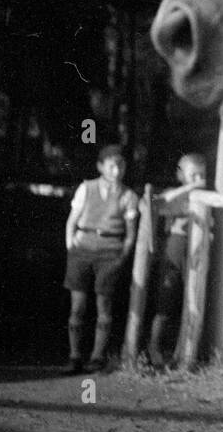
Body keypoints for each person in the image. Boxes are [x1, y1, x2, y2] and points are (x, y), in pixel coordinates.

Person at [63, 144, 139, 374]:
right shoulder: (86, 188)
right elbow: (72, 220)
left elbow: (131, 232)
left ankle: (97, 356)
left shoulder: (129, 196)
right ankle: (75, 355)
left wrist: (122, 255)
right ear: (101, 166)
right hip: (82, 248)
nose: (117, 171)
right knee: (78, 305)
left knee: (103, 305)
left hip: (110, 253)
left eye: (121, 165)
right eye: (112, 166)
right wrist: (71, 246)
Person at [146, 152, 206, 368]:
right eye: (193, 175)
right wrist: (188, 189)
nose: (198, 180)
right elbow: (156, 202)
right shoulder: (176, 193)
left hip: (199, 250)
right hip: (176, 246)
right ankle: (154, 347)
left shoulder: (207, 196)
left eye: (202, 175)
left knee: (192, 300)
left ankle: (185, 350)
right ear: (181, 176)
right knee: (166, 299)